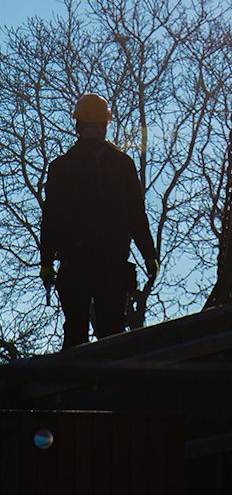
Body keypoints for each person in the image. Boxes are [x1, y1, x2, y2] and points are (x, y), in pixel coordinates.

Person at [40, 93, 159, 349]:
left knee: (113, 330)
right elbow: (51, 218)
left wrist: (148, 253)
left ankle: (111, 385)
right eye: (91, 125)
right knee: (75, 331)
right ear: (80, 127)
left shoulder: (122, 166)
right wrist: (47, 261)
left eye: (100, 125)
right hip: (76, 262)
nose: (96, 131)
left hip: (111, 262)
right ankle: (74, 385)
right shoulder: (62, 168)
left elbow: (136, 215)